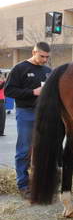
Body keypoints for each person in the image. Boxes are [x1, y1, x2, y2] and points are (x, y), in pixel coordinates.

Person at [5, 42, 52, 199]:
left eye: (47, 57)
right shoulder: (20, 68)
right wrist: (33, 92)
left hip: (43, 114)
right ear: (34, 52)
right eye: (42, 56)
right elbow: (8, 90)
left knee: (41, 150)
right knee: (24, 150)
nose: (45, 60)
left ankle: (38, 183)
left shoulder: (47, 71)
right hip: (25, 112)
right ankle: (23, 185)